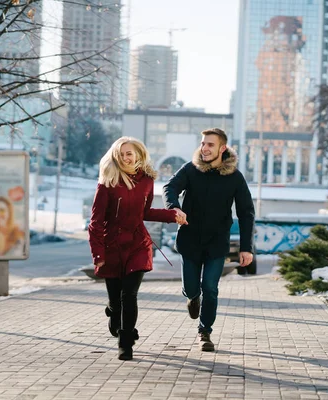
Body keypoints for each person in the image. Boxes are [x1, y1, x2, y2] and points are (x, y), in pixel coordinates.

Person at [88, 136, 187, 361]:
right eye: (121, 154)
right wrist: (98, 254)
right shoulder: (107, 182)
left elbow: (145, 213)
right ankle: (113, 312)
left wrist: (172, 214)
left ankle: (126, 342)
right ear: (116, 156)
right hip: (112, 246)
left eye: (130, 153)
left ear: (139, 155)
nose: (125, 157)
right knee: (116, 301)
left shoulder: (146, 181)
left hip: (137, 244)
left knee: (129, 294)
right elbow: (95, 222)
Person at [162, 128, 255, 352]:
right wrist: (174, 207)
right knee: (192, 288)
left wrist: (246, 248)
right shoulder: (191, 169)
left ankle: (205, 332)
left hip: (216, 242)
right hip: (190, 240)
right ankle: (192, 297)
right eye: (203, 143)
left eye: (210, 145)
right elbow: (170, 187)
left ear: (222, 148)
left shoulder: (235, 177)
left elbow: (246, 212)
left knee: (211, 288)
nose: (204, 148)